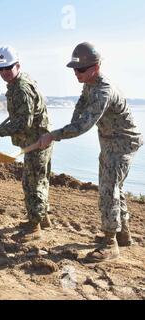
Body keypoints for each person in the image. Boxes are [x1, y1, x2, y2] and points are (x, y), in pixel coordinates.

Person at [37, 42, 143, 262]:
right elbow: (80, 107)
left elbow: (84, 125)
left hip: (122, 143)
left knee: (108, 188)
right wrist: (68, 125)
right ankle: (123, 234)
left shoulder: (103, 90)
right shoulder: (89, 84)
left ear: (95, 67)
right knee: (115, 186)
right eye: (74, 69)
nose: (76, 73)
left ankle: (110, 243)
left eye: (81, 69)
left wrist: (53, 135)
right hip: (110, 140)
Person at [0, 46, 52, 242]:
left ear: (17, 65)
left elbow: (24, 122)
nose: (4, 72)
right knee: (38, 179)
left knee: (33, 183)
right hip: (34, 139)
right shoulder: (16, 83)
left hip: (37, 140)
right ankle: (40, 219)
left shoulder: (21, 87)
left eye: (8, 68)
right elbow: (19, 115)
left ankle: (35, 227)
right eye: (1, 69)